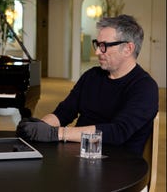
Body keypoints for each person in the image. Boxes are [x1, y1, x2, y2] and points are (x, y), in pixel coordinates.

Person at [16, 14, 158, 156]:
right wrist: (38, 128)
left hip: (119, 165)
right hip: (80, 156)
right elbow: (63, 113)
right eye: (97, 44)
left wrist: (57, 133)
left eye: (104, 46)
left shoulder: (145, 87)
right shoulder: (92, 76)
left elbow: (117, 133)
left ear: (128, 48)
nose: (97, 52)